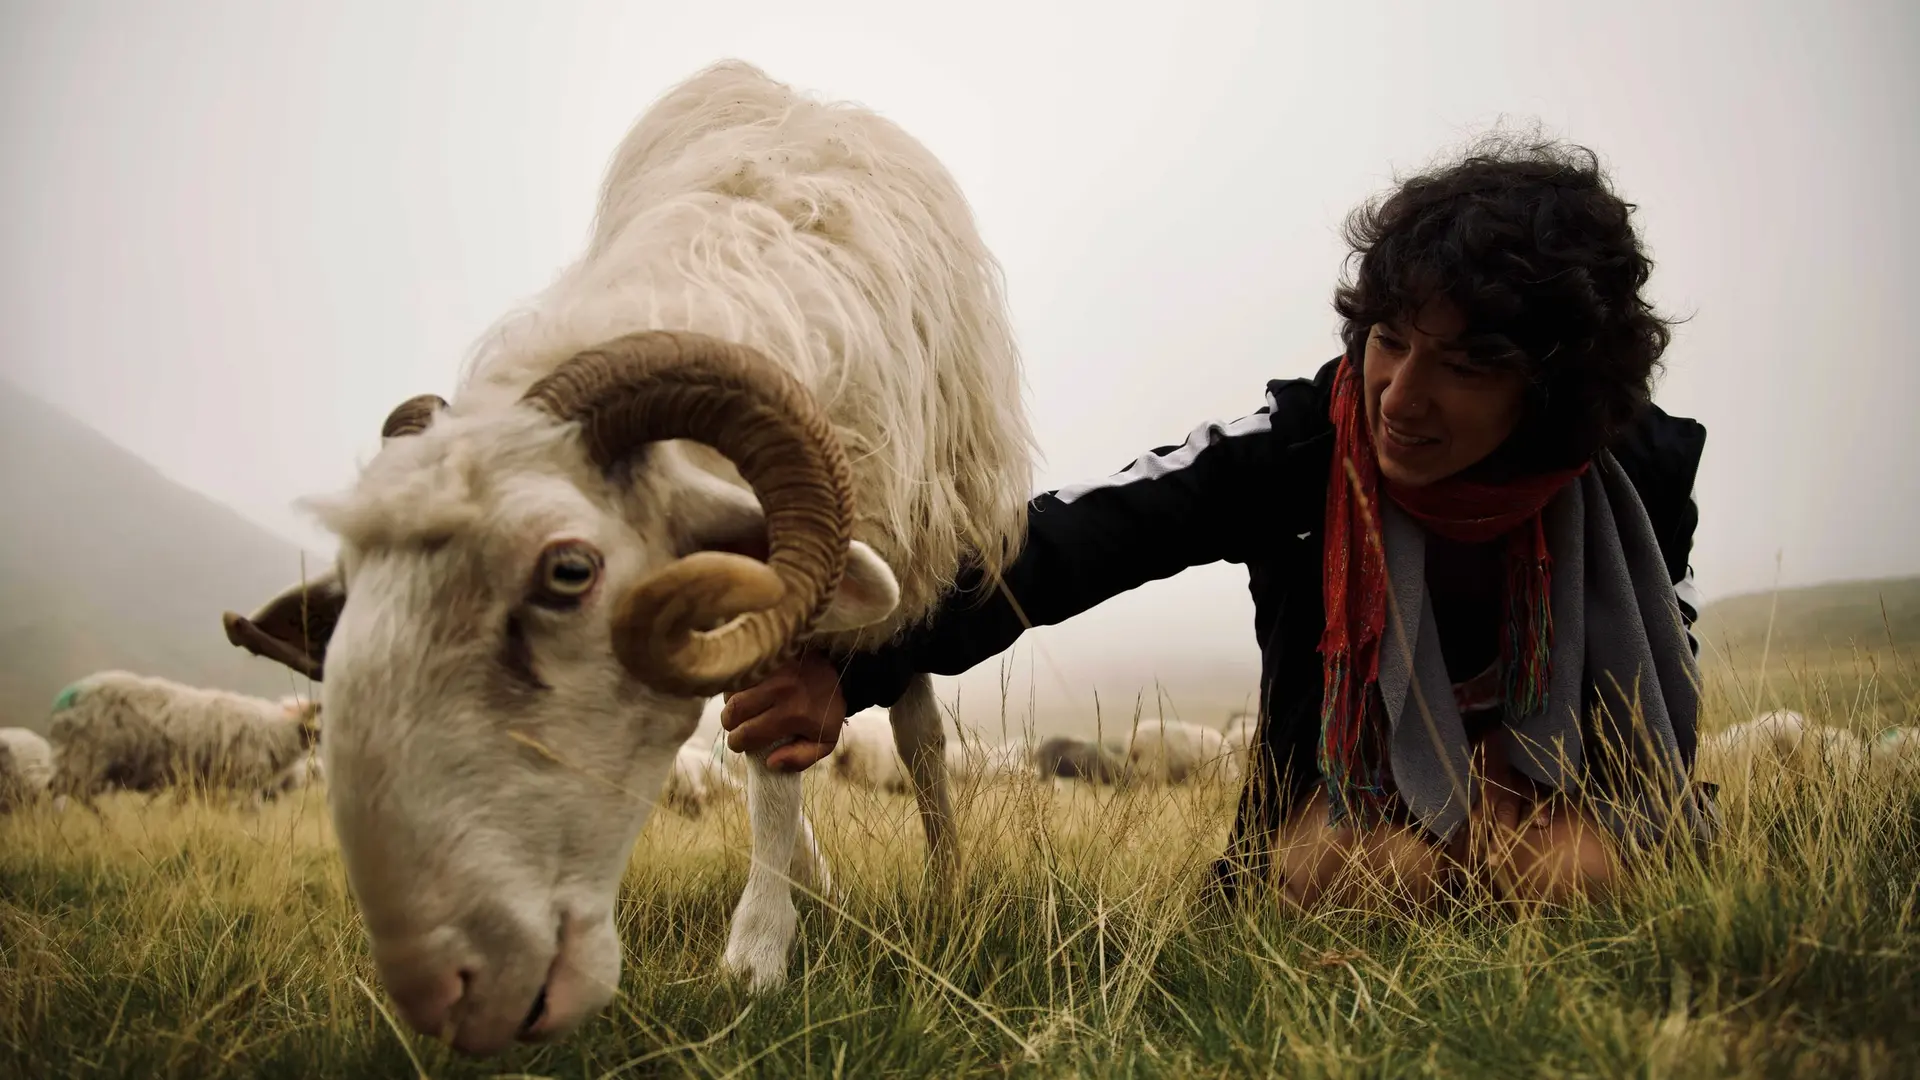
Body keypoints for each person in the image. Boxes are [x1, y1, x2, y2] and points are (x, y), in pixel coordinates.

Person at [719, 132, 1717, 912]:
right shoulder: (1299, 451)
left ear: (1548, 390)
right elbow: (1064, 546)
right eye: (1390, 340)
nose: (1400, 398)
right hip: (1350, 807)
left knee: (1564, 874)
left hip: (1549, 795)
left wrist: (1526, 798)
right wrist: (851, 670)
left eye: (1465, 366)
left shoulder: (1635, 475)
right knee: (1362, 879)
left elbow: (1660, 674)